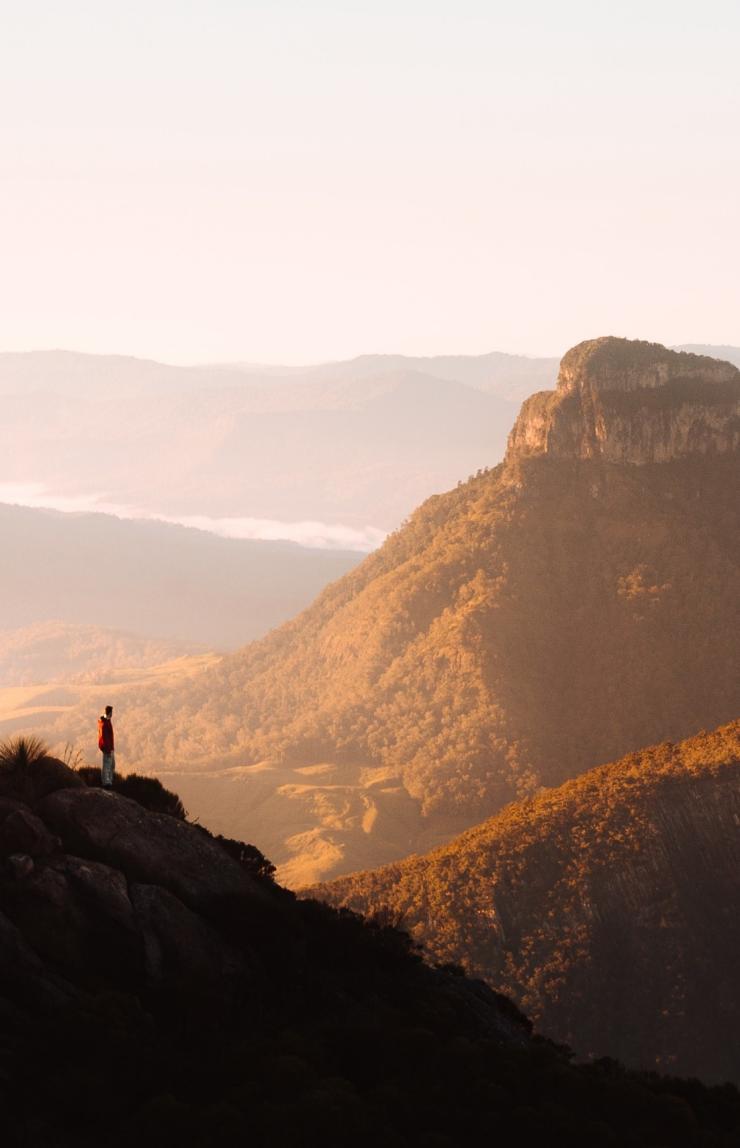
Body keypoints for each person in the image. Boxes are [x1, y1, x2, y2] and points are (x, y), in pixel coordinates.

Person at [98, 705, 115, 789]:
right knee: (107, 765)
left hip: (110, 747)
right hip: (107, 748)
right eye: (112, 712)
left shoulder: (106, 720)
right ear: (110, 713)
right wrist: (107, 749)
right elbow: (104, 737)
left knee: (111, 765)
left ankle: (109, 781)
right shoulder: (104, 723)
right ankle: (106, 783)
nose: (112, 714)